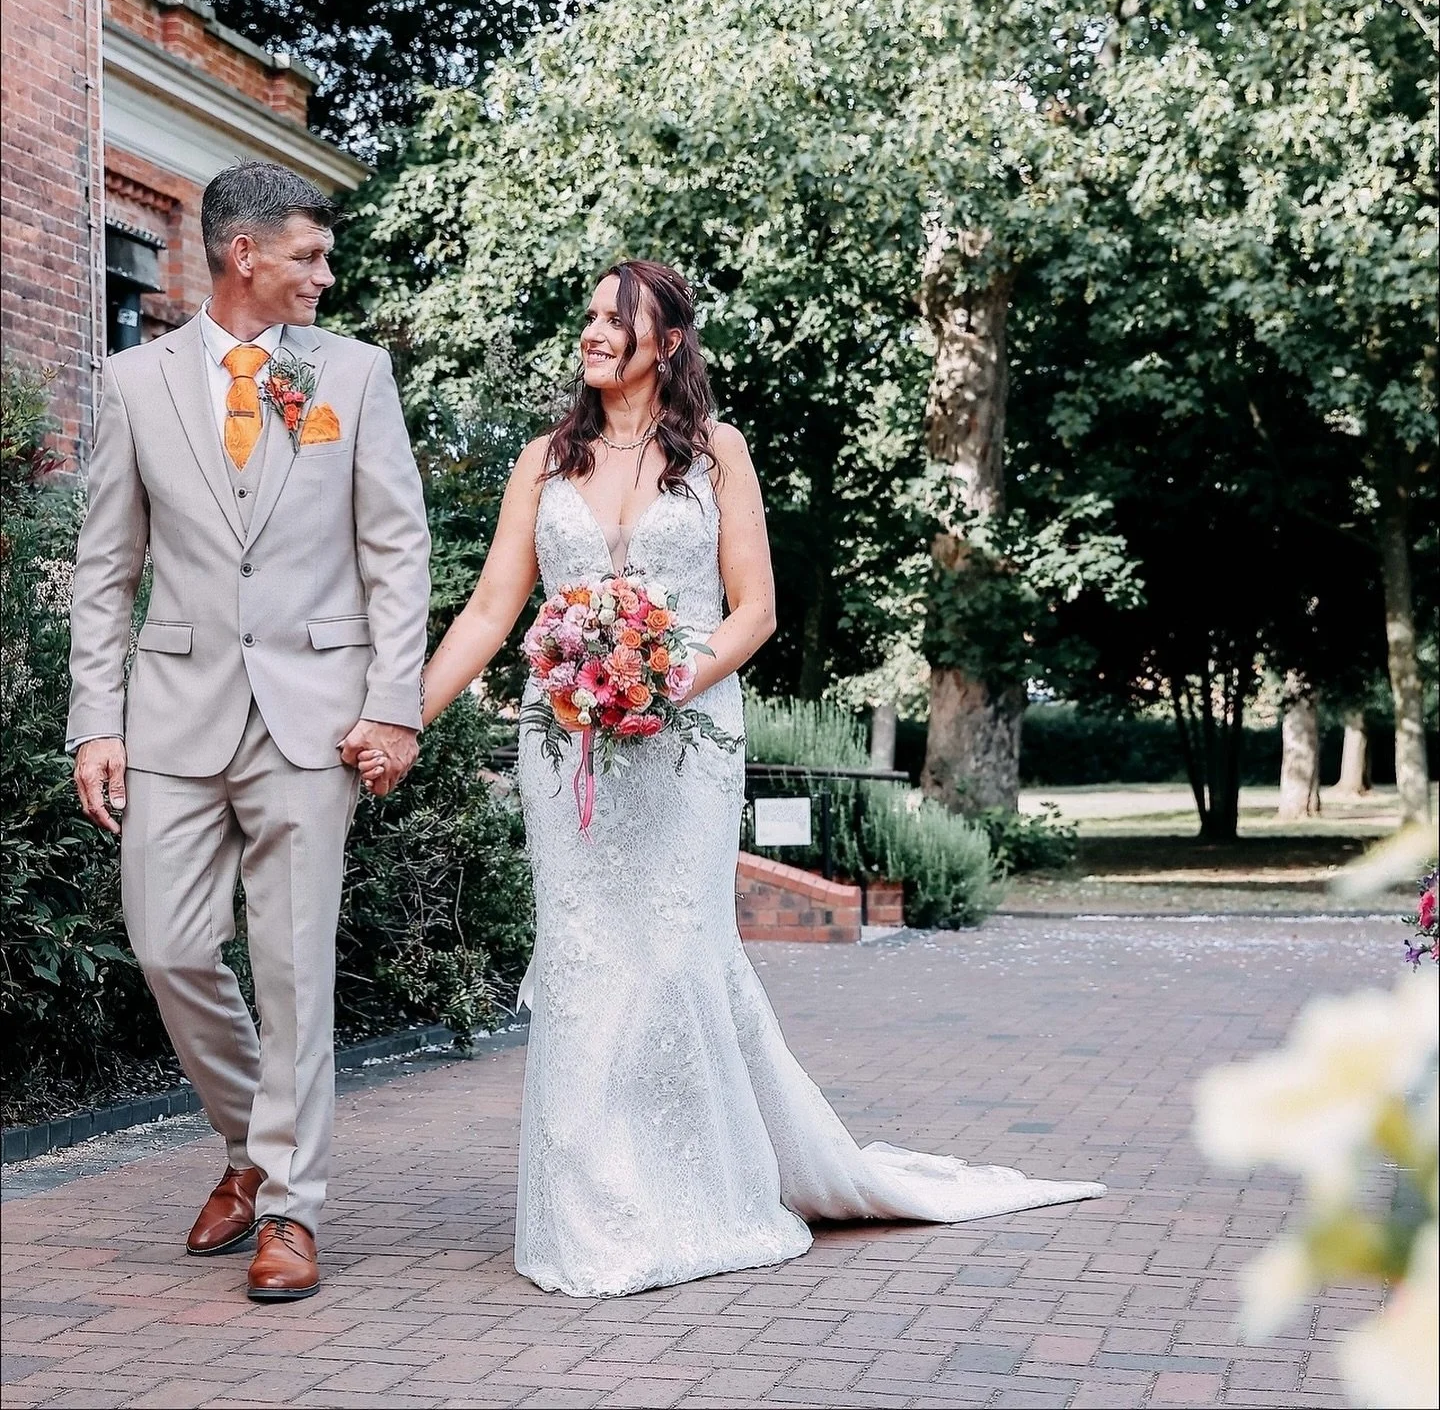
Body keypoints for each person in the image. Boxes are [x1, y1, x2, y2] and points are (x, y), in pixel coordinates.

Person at [407, 259, 1104, 1299]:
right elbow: (488, 610)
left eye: (616, 319)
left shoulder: (717, 456)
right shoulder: (540, 463)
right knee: (587, 963)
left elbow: (755, 610)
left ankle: (705, 1193)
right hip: (571, 751)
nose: (593, 333)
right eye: (589, 317)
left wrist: (658, 680)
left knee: (675, 959)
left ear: (669, 342)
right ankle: (596, 1211)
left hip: (684, 741)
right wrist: (401, 716)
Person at [67, 160, 431, 1302]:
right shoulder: (134, 383)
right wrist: (94, 720)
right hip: (171, 717)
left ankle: (288, 1210)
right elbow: (104, 570)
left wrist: (392, 703)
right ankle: (246, 1142)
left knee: (292, 971)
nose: (327, 275)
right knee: (169, 946)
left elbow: (397, 548)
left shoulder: (355, 377)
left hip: (313, 721)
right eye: (310, 256)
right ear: (244, 256)